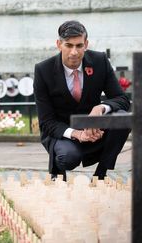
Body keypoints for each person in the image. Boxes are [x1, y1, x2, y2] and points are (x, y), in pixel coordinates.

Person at [33, 20, 130, 180]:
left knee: (124, 118)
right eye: (68, 45)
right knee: (68, 157)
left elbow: (122, 99)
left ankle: (101, 175)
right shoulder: (43, 70)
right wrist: (76, 134)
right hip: (61, 132)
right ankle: (57, 175)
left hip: (94, 129)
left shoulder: (100, 61)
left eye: (79, 45)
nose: (74, 52)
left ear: (86, 44)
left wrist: (100, 109)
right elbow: (46, 122)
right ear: (59, 44)